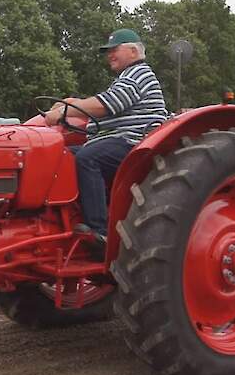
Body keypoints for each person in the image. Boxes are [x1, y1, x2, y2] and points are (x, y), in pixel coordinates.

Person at [44, 29, 168, 248]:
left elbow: (106, 104)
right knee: (61, 157)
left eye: (114, 50)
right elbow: (104, 104)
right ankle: (59, 221)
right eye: (108, 51)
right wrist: (72, 103)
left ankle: (100, 232)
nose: (109, 55)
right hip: (116, 140)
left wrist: (65, 110)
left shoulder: (139, 73)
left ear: (133, 50)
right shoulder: (126, 78)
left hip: (135, 142)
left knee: (88, 158)